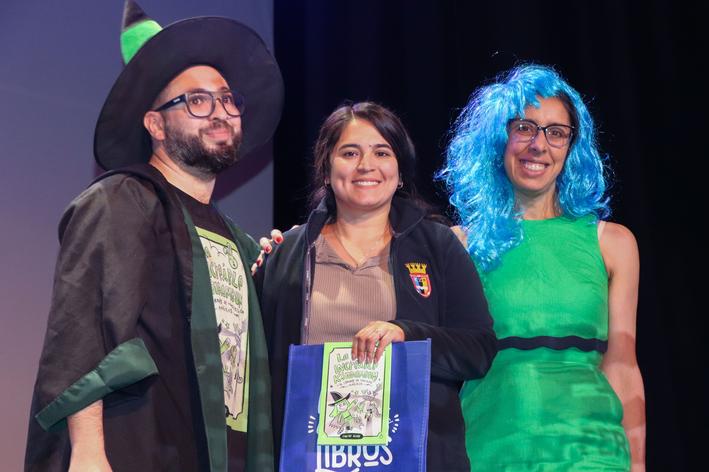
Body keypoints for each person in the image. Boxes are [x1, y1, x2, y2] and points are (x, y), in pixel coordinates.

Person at [25, 1, 284, 471]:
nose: (220, 113)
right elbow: (83, 327)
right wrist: (87, 452)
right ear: (156, 124)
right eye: (197, 101)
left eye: (228, 99)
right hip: (140, 450)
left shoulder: (237, 240)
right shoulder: (122, 200)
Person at [256, 102, 497, 471]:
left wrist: (406, 334)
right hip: (308, 459)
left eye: (382, 152)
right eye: (350, 153)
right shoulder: (286, 253)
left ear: (399, 172)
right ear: (327, 170)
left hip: (412, 458)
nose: (366, 165)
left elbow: (478, 350)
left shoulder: (438, 246)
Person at [440, 64, 646, 470]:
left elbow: (622, 366)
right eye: (524, 128)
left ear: (572, 146)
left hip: (593, 456)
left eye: (556, 132)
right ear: (498, 138)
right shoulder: (456, 245)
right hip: (490, 454)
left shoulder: (613, 243)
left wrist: (637, 464)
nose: (539, 145)